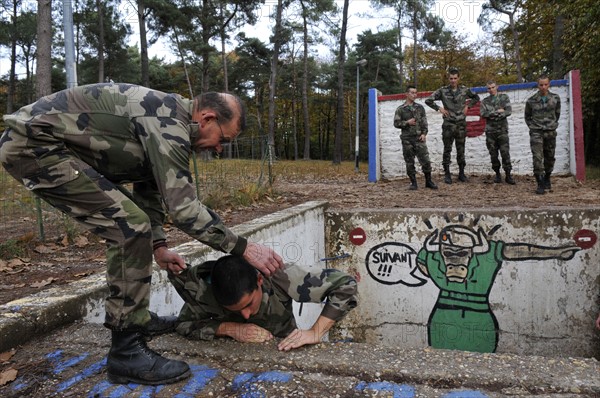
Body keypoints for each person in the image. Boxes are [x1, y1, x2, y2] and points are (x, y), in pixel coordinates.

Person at [0, 83, 284, 385]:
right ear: (207, 118)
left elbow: (148, 186)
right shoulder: (168, 123)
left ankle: (136, 320)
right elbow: (185, 211)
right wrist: (242, 247)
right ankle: (126, 352)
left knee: (135, 224)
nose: (218, 149)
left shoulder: (171, 121)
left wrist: (159, 245)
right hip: (34, 146)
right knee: (129, 227)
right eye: (222, 140)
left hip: (48, 145)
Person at [168, 255, 358, 351]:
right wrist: (229, 328)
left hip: (283, 349)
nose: (246, 315)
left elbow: (345, 285)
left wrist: (316, 332)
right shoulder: (204, 289)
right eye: (234, 310)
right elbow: (183, 325)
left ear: (259, 281)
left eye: (249, 304)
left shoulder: (279, 276)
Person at [425, 68, 480, 184]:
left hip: (460, 124)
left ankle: (461, 173)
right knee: (447, 150)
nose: (453, 81)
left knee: (461, 150)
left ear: (458, 78)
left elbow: (476, 98)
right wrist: (439, 108)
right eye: (451, 78)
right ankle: (447, 174)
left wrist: (468, 106)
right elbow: (428, 100)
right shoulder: (443, 91)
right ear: (448, 78)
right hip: (448, 124)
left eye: (455, 78)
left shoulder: (465, 90)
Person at [393, 85, 438, 190]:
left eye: (415, 93)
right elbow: (396, 123)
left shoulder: (420, 108)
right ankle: (413, 183)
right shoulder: (400, 109)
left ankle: (428, 181)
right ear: (407, 94)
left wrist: (424, 134)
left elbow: (424, 122)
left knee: (426, 161)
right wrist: (407, 122)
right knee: (409, 162)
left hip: (419, 138)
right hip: (407, 139)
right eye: (412, 93)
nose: (414, 95)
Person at [524, 76, 561, 195]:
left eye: (545, 84)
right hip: (537, 132)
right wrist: (534, 127)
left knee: (550, 157)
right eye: (541, 85)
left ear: (549, 84)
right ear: (538, 85)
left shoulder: (555, 98)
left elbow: (557, 113)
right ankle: (540, 183)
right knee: (537, 158)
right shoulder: (531, 100)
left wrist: (552, 124)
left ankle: (547, 177)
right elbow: (527, 117)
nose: (543, 87)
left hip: (550, 131)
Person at [480, 80, 515, 184]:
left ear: (497, 87)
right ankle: (498, 175)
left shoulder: (504, 98)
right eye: (489, 88)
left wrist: (492, 114)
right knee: (493, 155)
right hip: (490, 132)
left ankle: (508, 175)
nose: (491, 90)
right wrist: (497, 112)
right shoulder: (485, 101)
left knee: (505, 153)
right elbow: (483, 114)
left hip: (502, 131)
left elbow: (508, 111)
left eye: (493, 87)